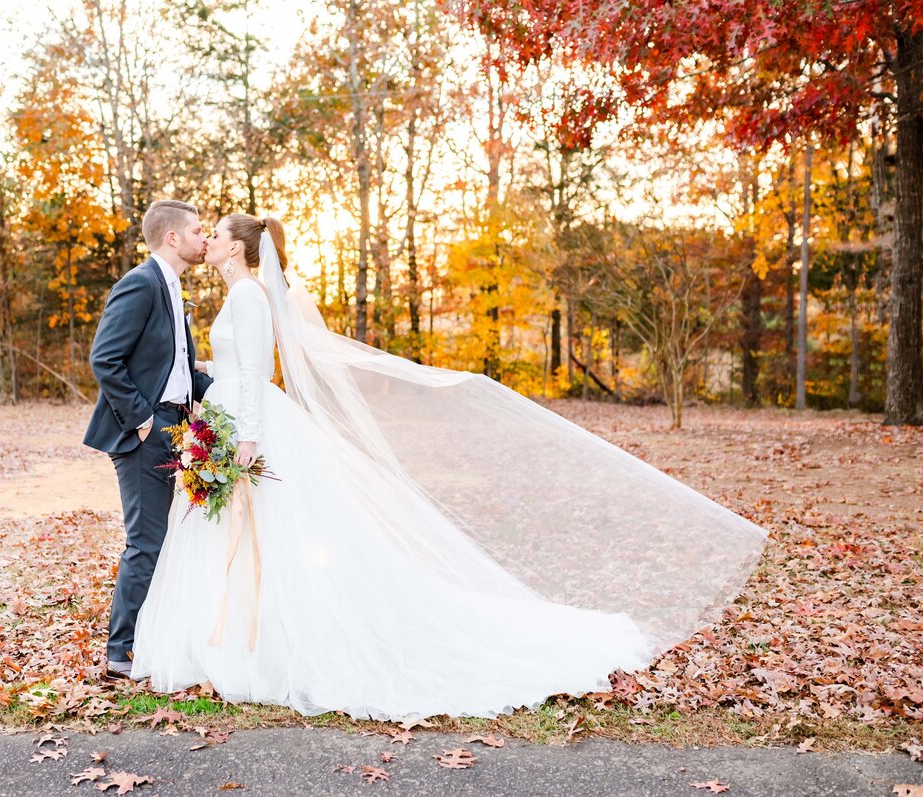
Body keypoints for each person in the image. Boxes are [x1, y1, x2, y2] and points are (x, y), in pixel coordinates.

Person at [129, 213, 768, 721]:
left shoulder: (247, 296)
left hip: (248, 425)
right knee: (250, 536)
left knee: (268, 535)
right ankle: (240, 637)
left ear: (239, 249)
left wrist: (243, 441)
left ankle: (255, 641)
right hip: (233, 417)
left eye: (214, 235)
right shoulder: (244, 292)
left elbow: (256, 375)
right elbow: (236, 370)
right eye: (203, 234)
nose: (205, 241)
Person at [83, 200, 213, 680]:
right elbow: (105, 358)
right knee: (146, 541)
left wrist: (235, 390)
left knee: (164, 539)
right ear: (173, 238)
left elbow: (176, 369)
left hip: (179, 427)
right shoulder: (140, 283)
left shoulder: (174, 287)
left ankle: (148, 637)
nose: (204, 239)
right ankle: (121, 651)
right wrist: (141, 421)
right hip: (145, 433)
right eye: (198, 231)